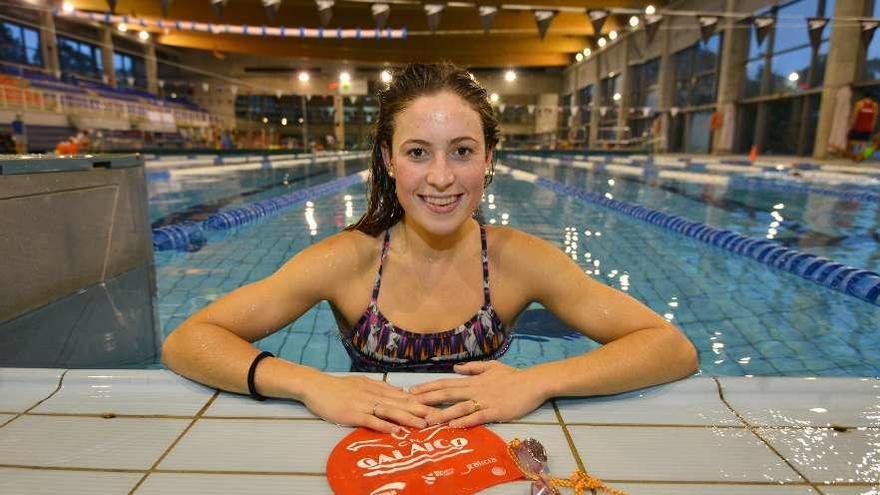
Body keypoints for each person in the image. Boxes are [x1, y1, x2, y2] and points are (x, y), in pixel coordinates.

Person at [162, 63, 698, 434]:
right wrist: (309, 384)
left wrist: (538, 381)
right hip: (368, 453)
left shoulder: (519, 260)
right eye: (418, 152)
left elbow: (670, 349)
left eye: (461, 151)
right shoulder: (347, 261)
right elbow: (189, 341)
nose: (441, 178)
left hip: (484, 456)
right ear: (390, 159)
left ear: (488, 158)